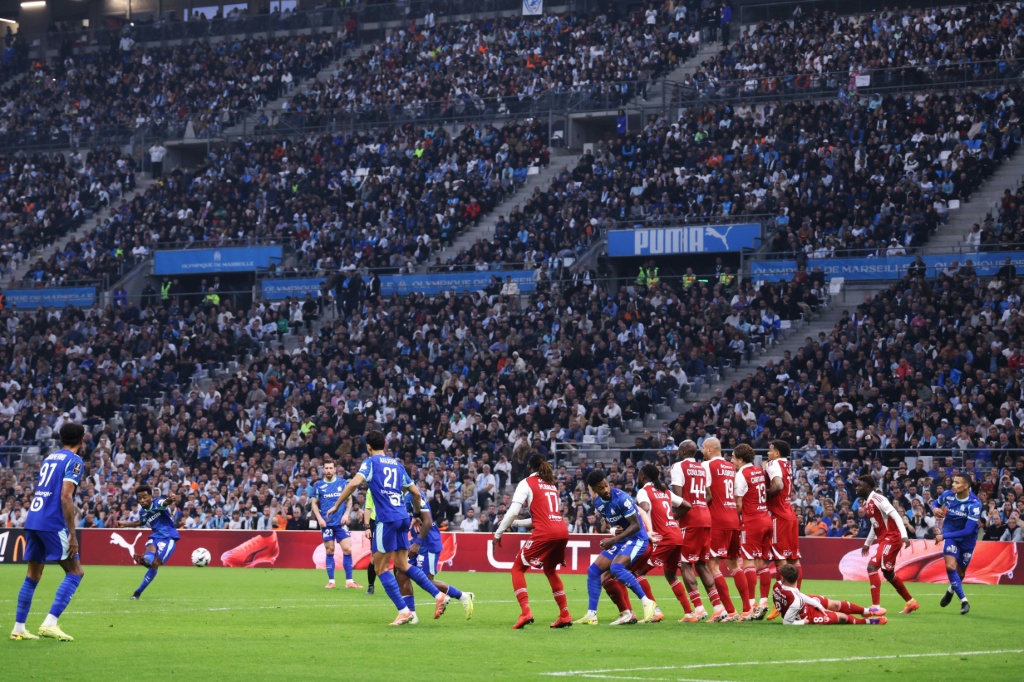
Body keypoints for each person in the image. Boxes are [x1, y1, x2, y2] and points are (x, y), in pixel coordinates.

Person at [327, 430, 449, 625]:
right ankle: (438, 595)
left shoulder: (370, 462)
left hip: (386, 519)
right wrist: (416, 514)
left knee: (379, 566)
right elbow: (416, 494)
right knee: (402, 565)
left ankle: (404, 611)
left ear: (368, 446)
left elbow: (353, 484)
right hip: (402, 517)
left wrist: (336, 505)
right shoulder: (398, 465)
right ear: (384, 444)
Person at [11, 422, 86, 641]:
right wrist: (72, 534)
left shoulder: (49, 458)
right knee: (75, 572)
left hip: (34, 518)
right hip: (52, 522)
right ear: (82, 439)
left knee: (33, 574)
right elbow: (65, 495)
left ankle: (19, 628)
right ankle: (50, 623)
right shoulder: (75, 460)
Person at [494, 454, 574, 630]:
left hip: (546, 533)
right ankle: (565, 614)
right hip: (561, 530)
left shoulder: (526, 483)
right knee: (550, 570)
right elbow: (541, 518)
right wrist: (513, 523)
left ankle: (525, 612)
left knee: (517, 568)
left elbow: (514, 511)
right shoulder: (551, 486)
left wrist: (498, 533)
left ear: (529, 467)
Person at [574, 469, 657, 625]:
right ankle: (591, 614)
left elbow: (635, 525)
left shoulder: (622, 498)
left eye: (606, 485)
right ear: (594, 489)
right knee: (593, 570)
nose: (605, 490)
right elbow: (615, 524)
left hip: (637, 538)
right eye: (600, 488)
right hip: (622, 540)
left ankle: (647, 602)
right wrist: (613, 531)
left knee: (617, 568)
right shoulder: (598, 503)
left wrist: (612, 540)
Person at [670, 440, 731, 622]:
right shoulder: (702, 468)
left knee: (685, 563)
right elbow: (709, 496)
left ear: (681, 452)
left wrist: (672, 518)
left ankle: (698, 608)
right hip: (706, 518)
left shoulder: (678, 467)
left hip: (690, 520)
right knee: (702, 564)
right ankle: (718, 608)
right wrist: (700, 506)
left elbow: (679, 499)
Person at [397, 485, 474, 623]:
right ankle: (411, 615)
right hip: (416, 541)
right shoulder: (403, 495)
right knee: (401, 572)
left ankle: (462, 596)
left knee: (427, 580)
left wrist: (417, 543)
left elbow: (427, 521)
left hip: (427, 543)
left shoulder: (415, 495)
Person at [633, 463, 693, 621]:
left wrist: (636, 514)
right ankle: (689, 613)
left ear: (643, 476)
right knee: (671, 575)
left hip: (664, 538)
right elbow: (687, 505)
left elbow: (645, 508)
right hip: (677, 536)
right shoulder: (664, 491)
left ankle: (655, 611)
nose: (638, 477)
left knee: (637, 572)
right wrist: (671, 519)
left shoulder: (643, 492)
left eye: (639, 475)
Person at [855, 475, 917, 615]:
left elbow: (896, 516)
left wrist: (904, 536)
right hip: (884, 539)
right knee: (888, 573)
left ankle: (875, 606)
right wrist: (867, 543)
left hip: (892, 538)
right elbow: (875, 525)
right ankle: (911, 602)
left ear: (869, 487)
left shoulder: (879, 499)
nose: (857, 487)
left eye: (860, 485)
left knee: (872, 566)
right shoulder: (867, 503)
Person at [701, 437, 744, 618]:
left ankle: (729, 611)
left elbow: (707, 495)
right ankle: (747, 608)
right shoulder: (731, 467)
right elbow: (736, 496)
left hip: (717, 520)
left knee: (712, 566)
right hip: (733, 518)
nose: (702, 451)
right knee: (734, 565)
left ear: (710, 450)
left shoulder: (706, 466)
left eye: (703, 448)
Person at [115, 485, 180, 600]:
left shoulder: (157, 502)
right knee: (149, 547)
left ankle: (138, 591)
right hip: (155, 535)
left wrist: (170, 499)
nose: (142, 500)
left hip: (168, 536)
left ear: (150, 496)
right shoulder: (143, 512)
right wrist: (124, 524)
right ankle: (146, 561)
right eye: (139, 498)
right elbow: (141, 522)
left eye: (144, 497)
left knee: (156, 563)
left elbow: (165, 502)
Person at [931, 473, 982, 615]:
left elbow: (967, 530)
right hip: (951, 538)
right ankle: (964, 601)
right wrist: (934, 508)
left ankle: (950, 590)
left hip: (967, 541)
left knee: (960, 573)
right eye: (953, 482)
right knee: (949, 566)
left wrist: (943, 536)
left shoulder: (974, 504)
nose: (953, 485)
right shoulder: (948, 495)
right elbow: (935, 503)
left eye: (957, 483)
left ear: (966, 486)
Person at [732, 443, 772, 619]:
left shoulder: (741, 475)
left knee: (748, 563)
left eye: (733, 458)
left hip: (752, 522)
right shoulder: (757, 470)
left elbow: (739, 503)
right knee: (762, 564)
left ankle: (750, 605)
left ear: (740, 459)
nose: (731, 461)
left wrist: (735, 519)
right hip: (766, 519)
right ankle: (763, 601)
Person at [773, 564, 887, 626]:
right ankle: (868, 621)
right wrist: (803, 622)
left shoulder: (777, 585)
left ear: (783, 578)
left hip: (802, 602)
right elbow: (787, 622)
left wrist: (817, 604)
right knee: (842, 617)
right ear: (797, 578)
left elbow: (797, 594)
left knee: (835, 604)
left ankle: (867, 611)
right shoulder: (795, 600)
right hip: (805, 616)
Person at [765, 439, 801, 619]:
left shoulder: (773, 463)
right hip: (790, 513)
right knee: (794, 560)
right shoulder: (787, 464)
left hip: (778, 515)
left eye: (770, 450)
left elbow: (778, 485)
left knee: (781, 561)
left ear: (777, 453)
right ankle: (797, 600)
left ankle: (782, 603)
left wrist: (765, 495)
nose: (768, 453)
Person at [311, 458, 361, 589]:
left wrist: (346, 514)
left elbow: (349, 500)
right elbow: (314, 504)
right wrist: (320, 519)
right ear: (323, 470)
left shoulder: (342, 483)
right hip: (326, 523)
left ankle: (349, 581)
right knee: (330, 550)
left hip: (341, 523)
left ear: (335, 469)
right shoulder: (318, 485)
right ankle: (331, 581)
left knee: (348, 549)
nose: (328, 470)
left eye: (330, 468)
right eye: (326, 468)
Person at [363, 494, 376, 594]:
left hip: (393, 520)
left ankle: (399, 586)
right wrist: (367, 527)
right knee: (374, 557)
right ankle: (371, 585)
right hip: (376, 522)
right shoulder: (372, 487)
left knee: (397, 555)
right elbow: (368, 508)